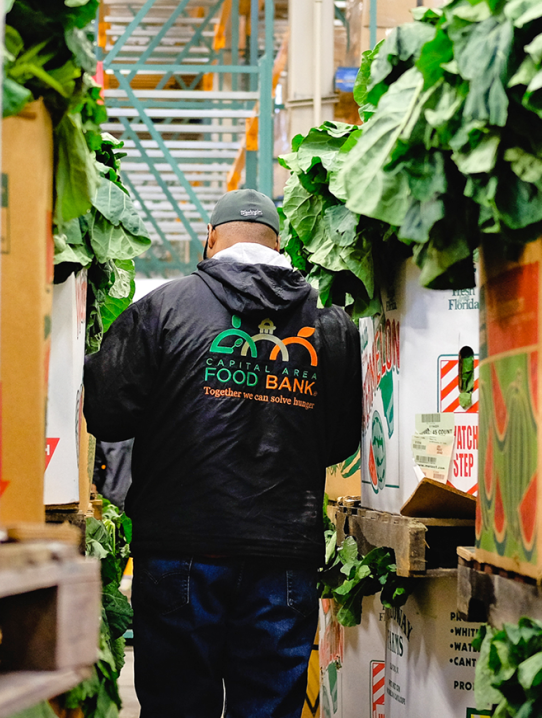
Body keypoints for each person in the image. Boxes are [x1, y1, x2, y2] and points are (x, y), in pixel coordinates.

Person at [83, 188, 362, 718]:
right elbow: (342, 442)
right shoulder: (331, 329)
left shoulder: (163, 309)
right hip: (284, 555)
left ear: (210, 240)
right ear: (279, 244)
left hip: (180, 549)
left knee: (178, 708)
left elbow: (107, 413)